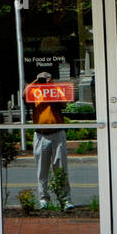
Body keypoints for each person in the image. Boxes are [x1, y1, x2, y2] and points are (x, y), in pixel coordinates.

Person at [31, 72, 72, 211]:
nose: (43, 81)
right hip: (40, 135)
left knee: (60, 169)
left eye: (46, 78)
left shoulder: (56, 90)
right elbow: (24, 95)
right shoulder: (35, 92)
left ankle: (65, 200)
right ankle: (43, 199)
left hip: (57, 134)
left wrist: (51, 87)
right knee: (42, 170)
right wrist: (35, 81)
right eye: (41, 78)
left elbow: (63, 104)